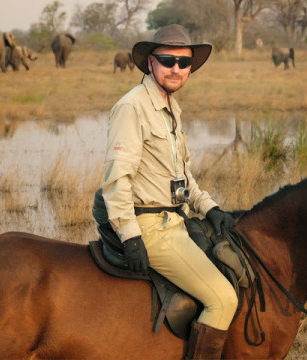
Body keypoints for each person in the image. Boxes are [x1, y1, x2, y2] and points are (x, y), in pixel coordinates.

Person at [95, 24, 238, 360]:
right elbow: (117, 179)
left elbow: (182, 176)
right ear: (151, 63)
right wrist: (131, 235)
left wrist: (210, 207)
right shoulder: (133, 107)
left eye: (183, 62)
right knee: (223, 300)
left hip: (175, 219)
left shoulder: (171, 107)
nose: (176, 68)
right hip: (150, 227)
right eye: (168, 60)